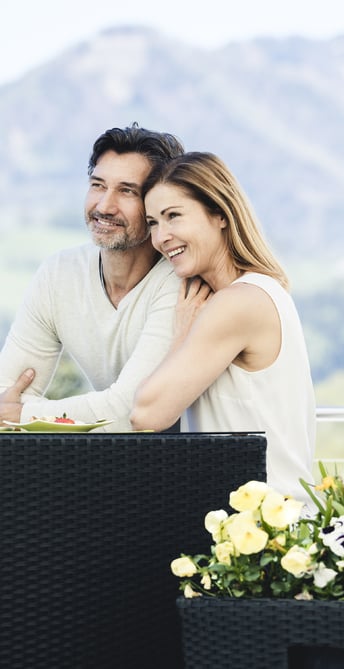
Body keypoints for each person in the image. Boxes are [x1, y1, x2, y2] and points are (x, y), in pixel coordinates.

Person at [130, 152, 316, 503]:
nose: (161, 237)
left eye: (174, 216)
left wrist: (182, 333)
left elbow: (146, 414)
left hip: (265, 534)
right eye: (153, 222)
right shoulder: (261, 290)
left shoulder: (237, 303)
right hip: (264, 524)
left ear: (219, 214)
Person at [0, 123, 184, 430]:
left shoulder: (178, 281)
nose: (104, 206)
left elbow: (128, 410)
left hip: (187, 462)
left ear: (157, 202)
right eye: (98, 185)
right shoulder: (58, 274)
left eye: (127, 191)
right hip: (106, 461)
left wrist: (25, 415)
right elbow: (6, 393)